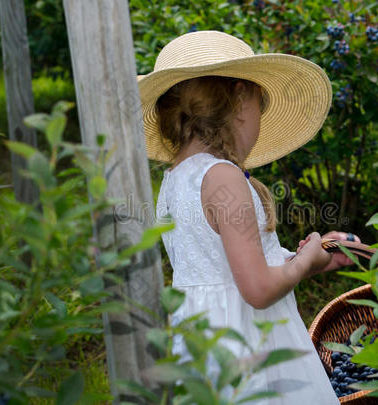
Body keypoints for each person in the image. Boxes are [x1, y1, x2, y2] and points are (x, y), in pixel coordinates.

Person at [139, 30, 361, 404]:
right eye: (261, 102)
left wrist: (305, 260)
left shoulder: (176, 180)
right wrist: (306, 257)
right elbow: (257, 290)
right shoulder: (223, 177)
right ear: (241, 96)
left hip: (202, 344)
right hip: (246, 348)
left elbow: (226, 267)